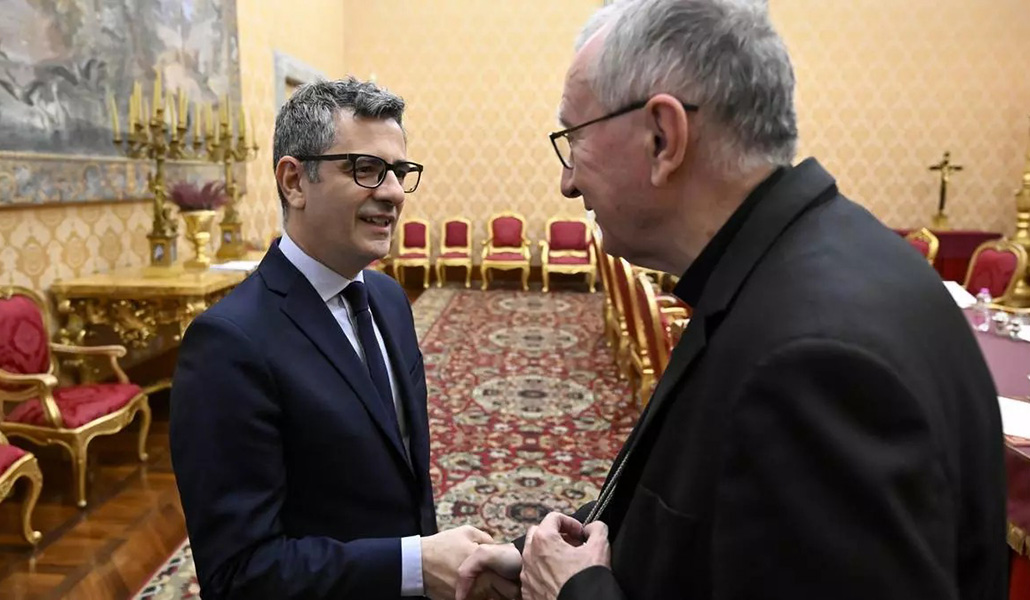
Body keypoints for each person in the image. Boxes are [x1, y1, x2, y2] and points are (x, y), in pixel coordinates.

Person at [457, 1, 1008, 599]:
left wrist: (575, 592)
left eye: (574, 138)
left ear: (663, 137)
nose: (568, 182)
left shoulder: (812, 361)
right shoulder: (795, 266)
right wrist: (546, 556)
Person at [170, 78, 495, 600]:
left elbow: (402, 466)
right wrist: (413, 563)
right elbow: (238, 574)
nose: (391, 192)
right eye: (365, 169)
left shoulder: (389, 298)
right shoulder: (228, 345)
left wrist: (422, 559)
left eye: (400, 172)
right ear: (294, 181)